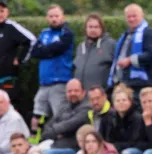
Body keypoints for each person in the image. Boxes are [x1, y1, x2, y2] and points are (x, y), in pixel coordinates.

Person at [30, 4, 74, 132]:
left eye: (56, 16)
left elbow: (59, 49)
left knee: (60, 116)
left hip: (60, 81)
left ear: (63, 17)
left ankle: (60, 143)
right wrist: (48, 50)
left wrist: (45, 50)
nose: (54, 19)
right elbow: (34, 52)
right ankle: (35, 141)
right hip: (44, 82)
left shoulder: (66, 33)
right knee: (37, 116)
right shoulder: (44, 33)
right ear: (47, 18)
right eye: (51, 16)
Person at [107, 3, 152, 103]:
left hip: (140, 84)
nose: (131, 19)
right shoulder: (125, 35)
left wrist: (130, 60)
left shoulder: (148, 33)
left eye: (134, 16)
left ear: (142, 15)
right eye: (128, 17)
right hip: (123, 83)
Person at [41, 78, 91, 154]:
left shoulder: (87, 108)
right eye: (69, 91)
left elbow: (69, 125)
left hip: (73, 149)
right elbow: (46, 128)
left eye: (76, 91)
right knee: (32, 153)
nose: (72, 93)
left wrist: (56, 131)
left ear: (83, 92)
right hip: (56, 145)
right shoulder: (63, 107)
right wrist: (57, 132)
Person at [0, 0, 36, 112]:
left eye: (2, 11)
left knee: (8, 109)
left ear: (7, 12)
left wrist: (20, 59)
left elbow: (32, 40)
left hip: (7, 78)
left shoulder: (11, 27)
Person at [102, 84, 145, 154]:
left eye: (124, 100)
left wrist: (114, 147)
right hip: (115, 150)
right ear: (113, 104)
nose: (121, 103)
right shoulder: (109, 118)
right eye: (118, 100)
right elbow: (105, 138)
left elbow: (134, 142)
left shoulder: (137, 118)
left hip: (136, 151)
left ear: (130, 101)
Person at [73, 13, 116, 90]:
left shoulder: (110, 44)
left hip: (101, 95)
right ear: (86, 28)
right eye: (90, 27)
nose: (93, 30)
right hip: (82, 95)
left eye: (96, 27)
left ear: (102, 29)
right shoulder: (80, 46)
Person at [0, 89, 29, 154]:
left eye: (1, 102)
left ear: (8, 102)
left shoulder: (14, 118)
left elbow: (7, 146)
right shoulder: (2, 116)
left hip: (13, 153)